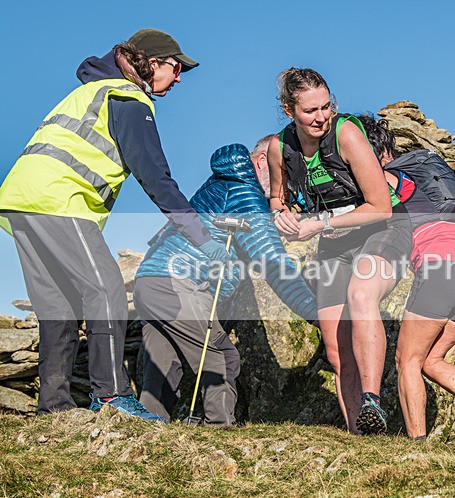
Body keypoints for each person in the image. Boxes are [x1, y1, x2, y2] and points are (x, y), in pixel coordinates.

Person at [0, 29, 228, 421]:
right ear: (152, 63)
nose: (178, 78)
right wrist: (201, 236)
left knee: (60, 307)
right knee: (105, 289)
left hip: (21, 201)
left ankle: (53, 405)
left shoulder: (95, 90)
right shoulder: (126, 97)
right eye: (175, 68)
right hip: (59, 200)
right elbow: (155, 177)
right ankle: (111, 396)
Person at [268, 68, 412, 434]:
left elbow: (380, 205)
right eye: (310, 111)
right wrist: (280, 215)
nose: (320, 117)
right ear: (288, 110)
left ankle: (372, 401)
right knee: (335, 349)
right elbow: (277, 197)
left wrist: (320, 224)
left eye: (326, 106)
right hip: (334, 244)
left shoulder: (346, 134)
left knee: (361, 294)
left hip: (383, 228)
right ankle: (359, 435)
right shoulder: (278, 147)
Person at [134, 140, 318, 425]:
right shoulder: (245, 194)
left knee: (163, 368)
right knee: (221, 358)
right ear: (260, 162)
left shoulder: (219, 183)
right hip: (179, 283)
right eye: (281, 169)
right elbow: (275, 265)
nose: (287, 179)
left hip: (151, 279)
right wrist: (317, 314)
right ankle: (216, 434)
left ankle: (145, 434)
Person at [358, 114, 455, 448]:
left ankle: (417, 445)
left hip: (440, 272)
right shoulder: (422, 177)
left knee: (405, 361)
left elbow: (380, 203)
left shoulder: (388, 176)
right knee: (431, 360)